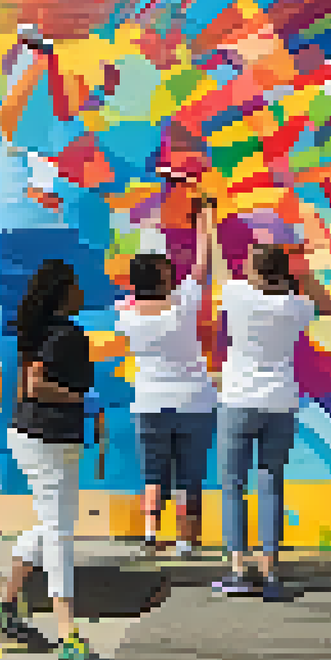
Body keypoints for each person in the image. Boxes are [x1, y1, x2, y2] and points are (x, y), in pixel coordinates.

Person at [0, 258, 105, 660]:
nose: (81, 292)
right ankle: (68, 631)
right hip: (49, 439)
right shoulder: (65, 335)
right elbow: (34, 386)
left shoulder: (36, 333)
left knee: (54, 521)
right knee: (59, 531)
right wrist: (82, 401)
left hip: (36, 436)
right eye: (75, 286)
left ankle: (5, 603)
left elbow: (27, 387)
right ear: (62, 293)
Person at [213, 224, 331, 602]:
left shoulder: (237, 294)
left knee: (233, 485)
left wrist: (208, 223)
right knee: (271, 483)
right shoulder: (295, 306)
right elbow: (330, 306)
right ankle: (270, 571)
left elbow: (218, 265)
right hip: (281, 402)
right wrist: (302, 272)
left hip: (238, 400)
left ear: (254, 271)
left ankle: (239, 569)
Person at [116, 200, 219, 560]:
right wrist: (205, 222)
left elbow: (132, 299)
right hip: (194, 401)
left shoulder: (126, 314)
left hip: (149, 401)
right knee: (189, 475)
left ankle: (150, 534)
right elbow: (202, 265)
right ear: (163, 279)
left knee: (152, 472)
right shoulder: (183, 304)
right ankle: (186, 541)